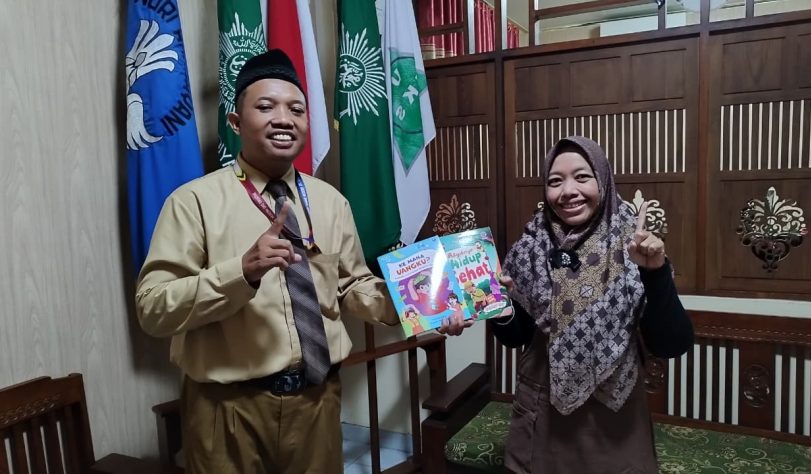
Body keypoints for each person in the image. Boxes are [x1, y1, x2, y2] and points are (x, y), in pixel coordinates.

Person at [135, 49, 399, 474]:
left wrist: (415, 301)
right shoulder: (193, 202)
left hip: (317, 403)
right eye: (265, 107)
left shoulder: (331, 202)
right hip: (227, 409)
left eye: (296, 109)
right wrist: (240, 272)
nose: (284, 119)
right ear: (235, 122)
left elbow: (352, 286)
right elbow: (153, 308)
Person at [439, 136, 693, 473]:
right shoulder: (530, 247)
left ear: (603, 179)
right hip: (542, 414)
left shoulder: (634, 245)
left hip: (615, 420)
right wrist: (500, 308)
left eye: (582, 177)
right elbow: (517, 336)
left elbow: (672, 344)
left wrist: (655, 272)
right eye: (555, 181)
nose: (568, 191)